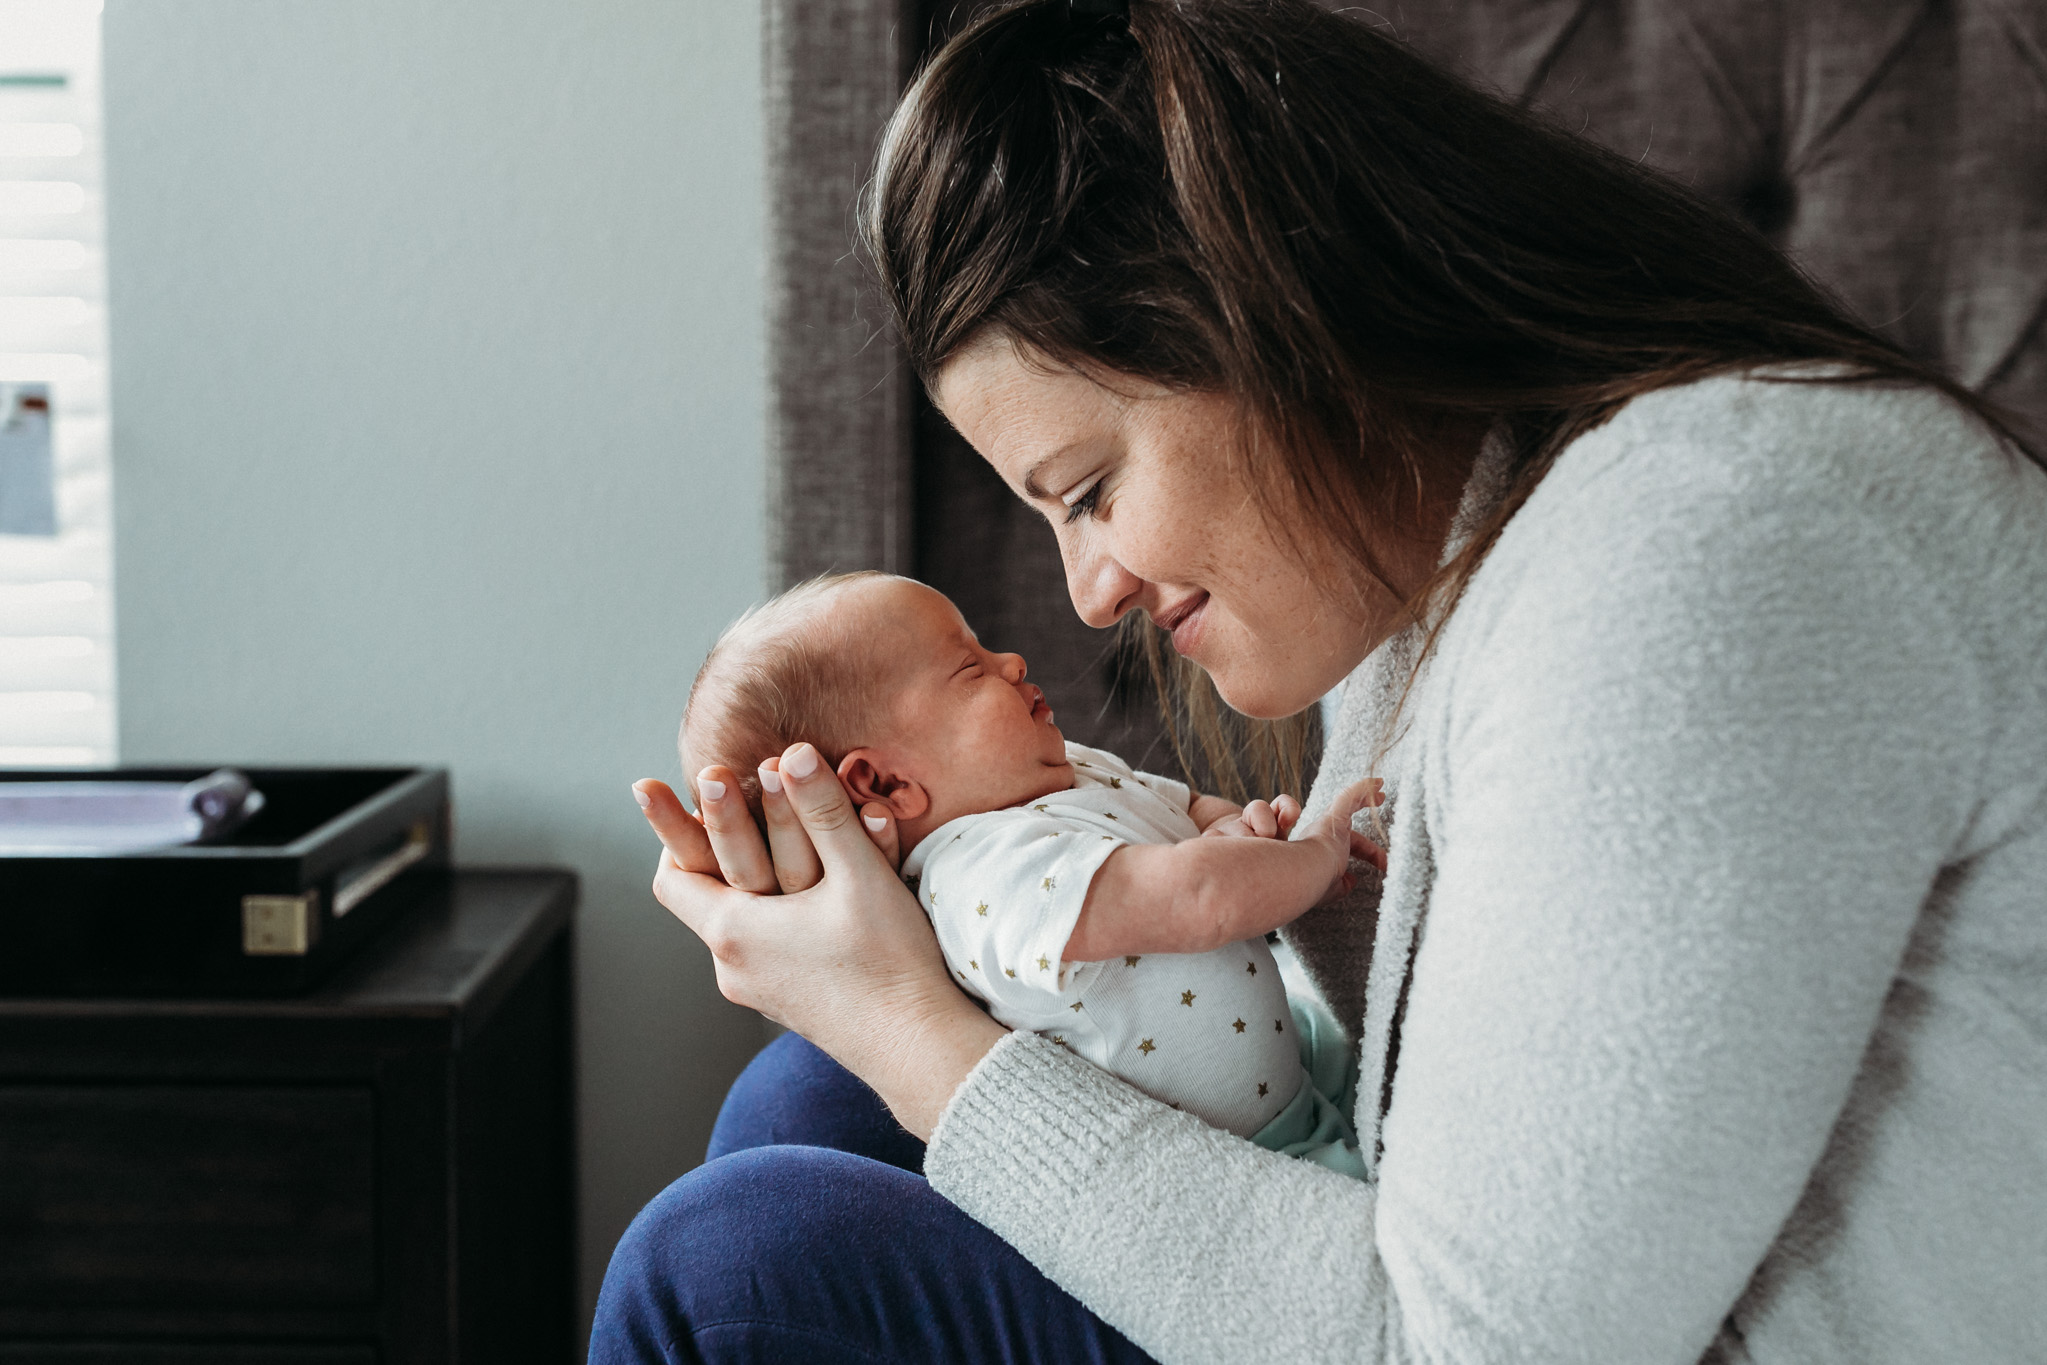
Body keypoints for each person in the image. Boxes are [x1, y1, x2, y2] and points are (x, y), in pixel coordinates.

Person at [596, 1, 2047, 1361]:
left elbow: (1469, 1344)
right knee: (807, 1096)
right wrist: (889, 919)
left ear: (1268, 319)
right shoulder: (1433, 595)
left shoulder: (1711, 546)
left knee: (726, 1262)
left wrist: (909, 1031)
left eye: (1090, 486)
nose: (1087, 592)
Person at [677, 569, 1382, 1173]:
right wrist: (1315, 854)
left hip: (1298, 1050)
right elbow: (1197, 898)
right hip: (1242, 1154)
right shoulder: (982, 881)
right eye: (968, 668)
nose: (1011, 660)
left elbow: (1192, 814)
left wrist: (1238, 828)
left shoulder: (1068, 772)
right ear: (887, 785)